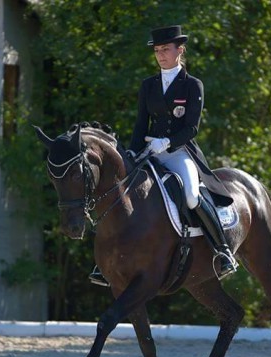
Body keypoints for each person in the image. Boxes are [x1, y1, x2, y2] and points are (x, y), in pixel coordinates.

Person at [89, 25, 238, 287]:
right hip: (149, 150)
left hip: (178, 152)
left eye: (165, 49)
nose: (160, 55)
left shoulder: (192, 85)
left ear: (179, 50)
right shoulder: (148, 85)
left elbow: (192, 127)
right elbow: (140, 124)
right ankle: (105, 263)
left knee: (191, 195)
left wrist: (167, 142)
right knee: (121, 192)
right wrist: (133, 151)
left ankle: (222, 251)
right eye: (157, 50)